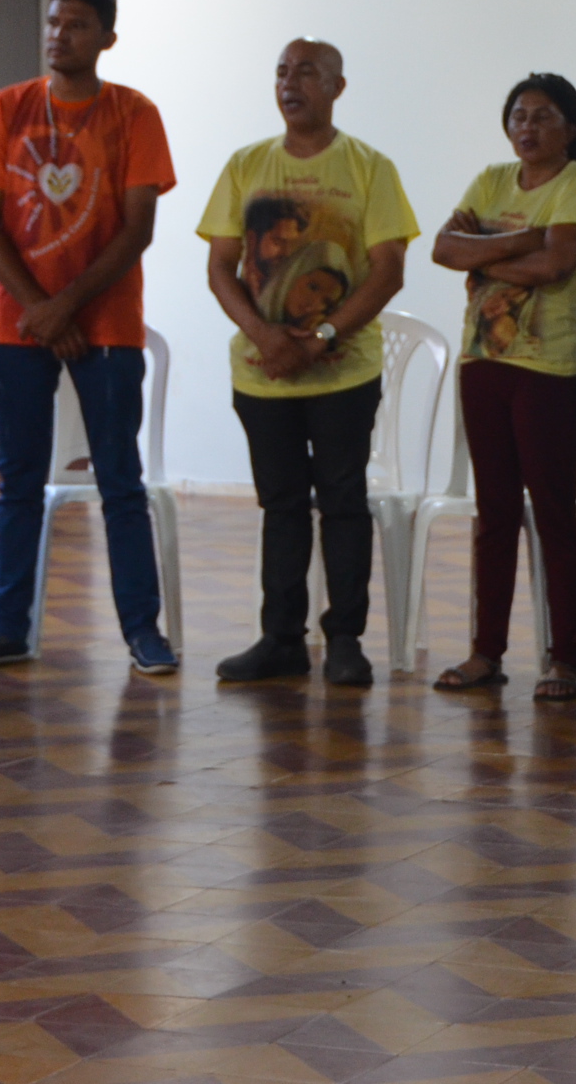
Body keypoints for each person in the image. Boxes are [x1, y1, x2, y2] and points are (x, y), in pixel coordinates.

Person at [0, 0, 179, 678]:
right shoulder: (8, 107)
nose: (59, 35)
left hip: (106, 322)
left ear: (107, 39)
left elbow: (138, 228)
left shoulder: (134, 113)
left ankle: (142, 631)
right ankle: (6, 628)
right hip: (17, 323)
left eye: (76, 25)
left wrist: (67, 305)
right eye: (53, 22)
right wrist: (40, 308)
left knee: (119, 479)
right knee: (19, 480)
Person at [200, 38, 420, 687]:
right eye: (281, 72)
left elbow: (388, 271)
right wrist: (265, 336)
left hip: (343, 373)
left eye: (306, 72)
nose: (290, 83)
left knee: (344, 501)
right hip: (261, 373)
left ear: (337, 87)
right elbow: (220, 267)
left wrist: (321, 335)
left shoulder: (370, 168)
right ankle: (281, 640)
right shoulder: (246, 164)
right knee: (282, 505)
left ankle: (345, 640)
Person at [429, 74, 576, 702]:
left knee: (553, 513)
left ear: (572, 128)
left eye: (543, 116)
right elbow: (443, 249)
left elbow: (556, 263)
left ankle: (565, 659)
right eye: (518, 116)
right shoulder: (491, 180)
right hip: (483, 364)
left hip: (548, 371)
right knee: (494, 514)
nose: (527, 127)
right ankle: (487, 652)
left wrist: (483, 253)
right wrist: (524, 240)